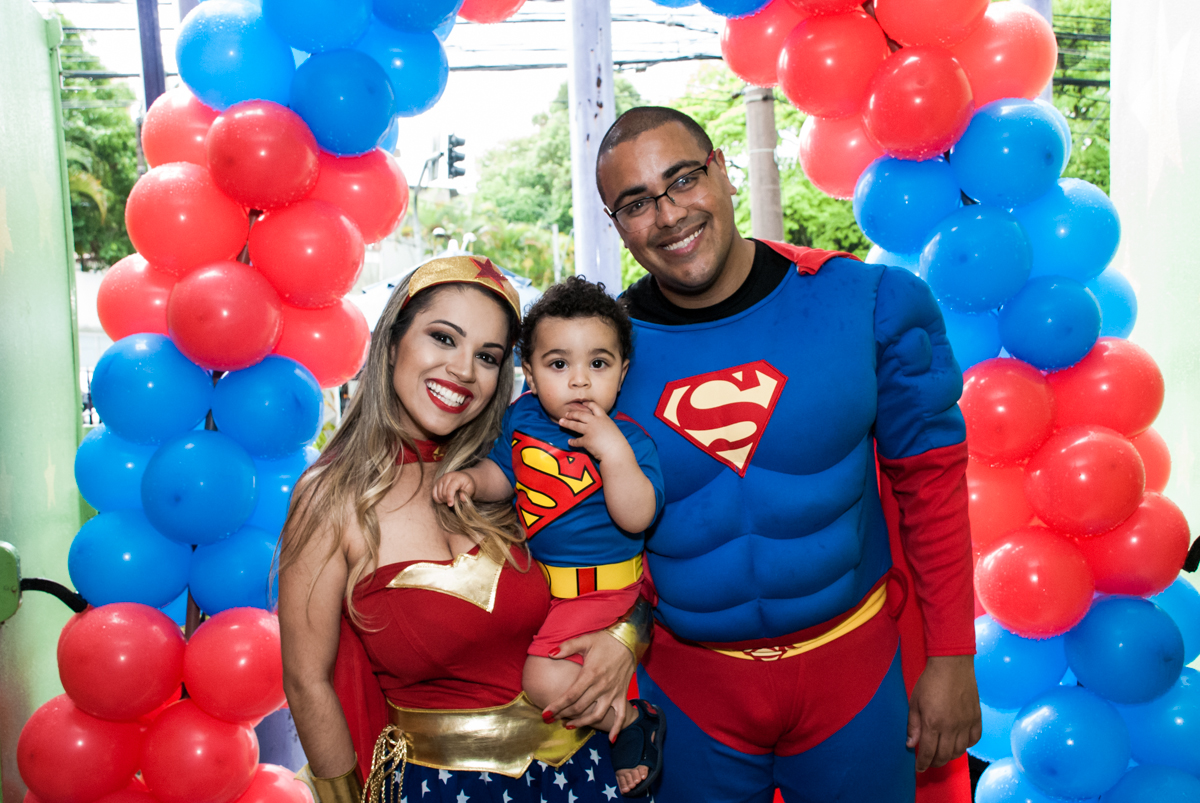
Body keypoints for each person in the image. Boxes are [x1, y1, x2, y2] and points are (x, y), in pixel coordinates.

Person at [594, 106, 981, 803]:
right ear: (617, 224)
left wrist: (953, 657)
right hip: (688, 693)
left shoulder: (865, 303)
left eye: (682, 178)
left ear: (720, 169)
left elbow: (933, 485)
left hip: (853, 676)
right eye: (636, 203)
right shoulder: (597, 363)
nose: (670, 214)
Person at [278, 256, 646, 803]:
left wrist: (624, 640)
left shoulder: (524, 467)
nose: (464, 371)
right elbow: (309, 685)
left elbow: (624, 568)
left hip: (584, 775)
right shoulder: (330, 499)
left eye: (488, 356)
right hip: (443, 789)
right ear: (392, 339)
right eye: (444, 338)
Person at [433, 276, 668, 797]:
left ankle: (629, 721)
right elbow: (505, 477)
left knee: (541, 678)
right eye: (559, 364)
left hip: (604, 589)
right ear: (530, 374)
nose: (580, 381)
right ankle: (601, 732)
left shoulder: (628, 438)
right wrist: (472, 479)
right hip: (546, 587)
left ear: (622, 372)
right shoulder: (522, 422)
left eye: (598, 364)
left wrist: (613, 454)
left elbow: (638, 517)